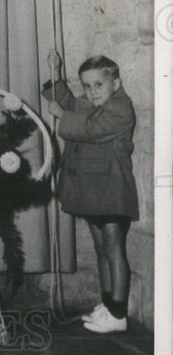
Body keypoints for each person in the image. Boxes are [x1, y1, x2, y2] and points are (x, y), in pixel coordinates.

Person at [43, 51, 139, 333]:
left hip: (112, 189)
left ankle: (119, 314)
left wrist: (62, 116)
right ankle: (108, 304)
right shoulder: (90, 103)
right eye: (87, 85)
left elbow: (90, 129)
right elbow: (71, 104)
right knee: (101, 248)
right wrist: (57, 76)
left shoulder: (121, 108)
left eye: (99, 84)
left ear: (116, 84)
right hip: (94, 192)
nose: (92, 91)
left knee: (114, 247)